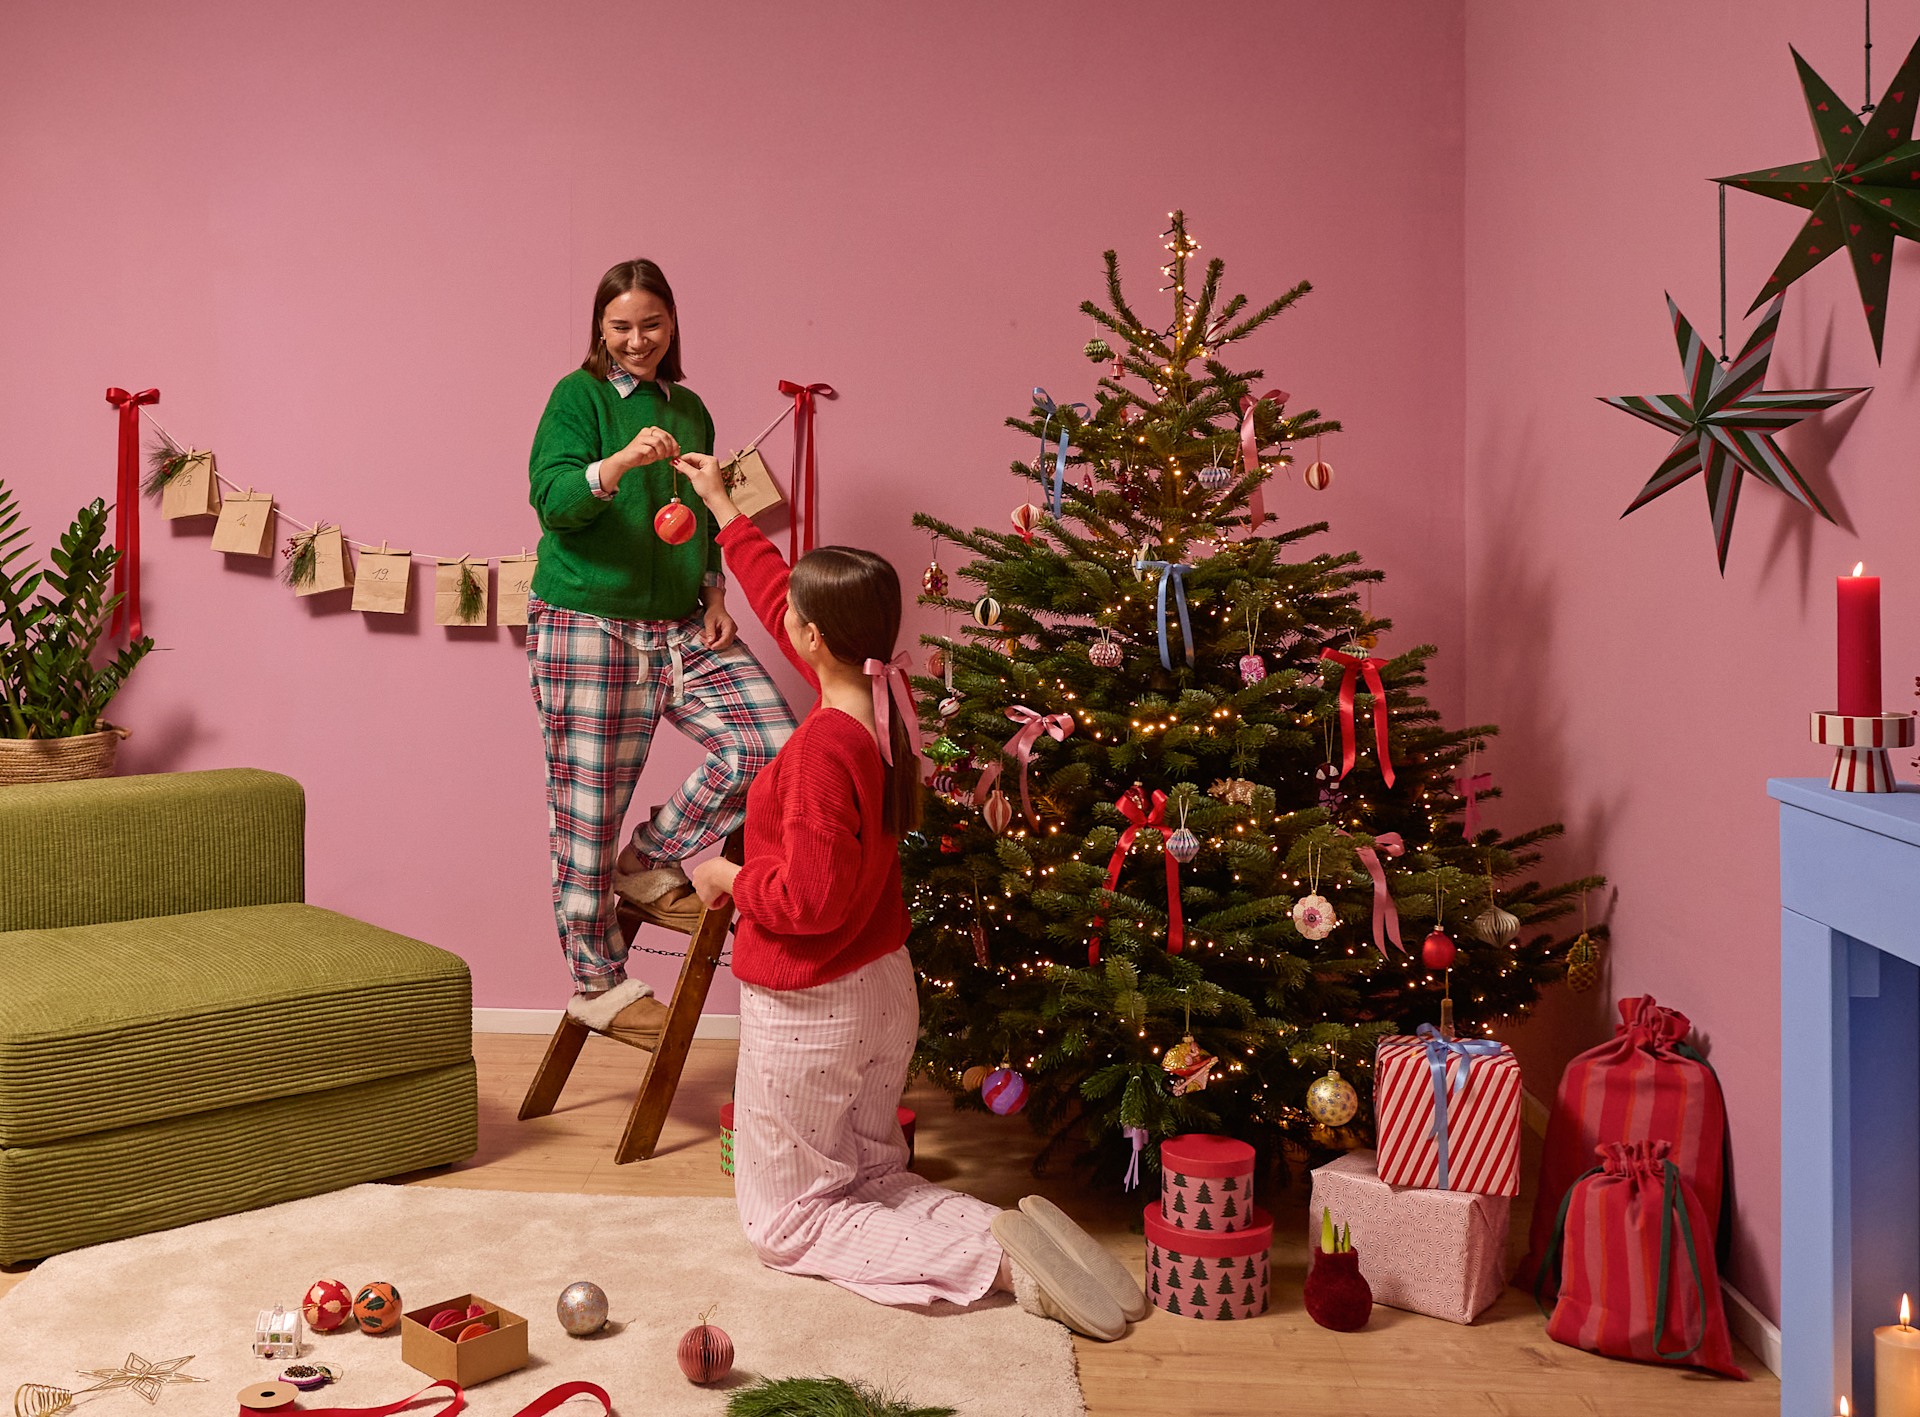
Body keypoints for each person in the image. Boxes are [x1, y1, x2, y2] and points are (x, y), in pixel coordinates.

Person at [668, 451, 1148, 1340]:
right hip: (882, 986)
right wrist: (722, 508)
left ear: (817, 639)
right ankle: (1004, 1229)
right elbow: (785, 601)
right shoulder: (883, 710)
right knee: (872, 1176)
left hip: (817, 1002)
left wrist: (728, 876)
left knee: (790, 1221)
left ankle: (996, 1263)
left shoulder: (819, 748)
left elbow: (807, 900)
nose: (788, 627)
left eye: (798, 625)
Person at [526, 259, 796, 1045]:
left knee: (772, 745)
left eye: (651, 324)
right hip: (586, 620)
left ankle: (649, 857)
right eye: (621, 327)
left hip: (678, 622)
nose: (637, 340)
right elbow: (552, 500)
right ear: (598, 330)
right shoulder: (576, 399)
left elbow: (706, 517)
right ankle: (597, 984)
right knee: (587, 806)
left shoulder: (693, 409)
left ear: (672, 323)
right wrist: (616, 465)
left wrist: (715, 594)